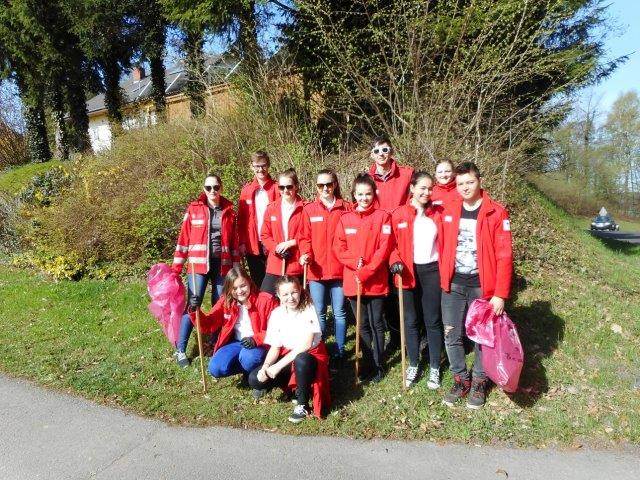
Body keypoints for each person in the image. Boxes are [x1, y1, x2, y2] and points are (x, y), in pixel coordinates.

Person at [439, 162, 513, 409]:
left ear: (479, 181)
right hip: (453, 283)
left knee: (483, 337)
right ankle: (461, 378)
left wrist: (500, 294)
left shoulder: (496, 212)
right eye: (460, 184)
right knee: (451, 333)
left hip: (483, 287)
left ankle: (480, 380)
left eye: (469, 182)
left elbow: (504, 256)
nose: (465, 187)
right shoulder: (449, 210)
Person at [172, 174, 239, 368]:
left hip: (222, 265)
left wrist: (237, 269)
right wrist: (177, 268)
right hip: (197, 266)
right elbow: (183, 240)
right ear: (203, 189)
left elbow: (233, 243)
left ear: (221, 188)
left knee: (220, 305)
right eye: (208, 188)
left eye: (216, 187)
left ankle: (213, 343)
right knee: (193, 304)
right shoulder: (194, 209)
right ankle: (181, 349)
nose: (212, 191)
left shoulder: (229, 210)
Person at [334, 173, 394, 383]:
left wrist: (366, 271)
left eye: (368, 194)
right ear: (354, 195)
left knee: (377, 323)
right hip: (353, 281)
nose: (364, 198)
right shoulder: (345, 219)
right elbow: (339, 247)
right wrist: (353, 262)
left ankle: (378, 363)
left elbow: (384, 248)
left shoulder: (383, 217)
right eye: (360, 194)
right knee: (362, 323)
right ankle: (367, 361)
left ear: (374, 194)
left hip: (375, 279)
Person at [248, 275, 330, 423]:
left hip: (310, 356)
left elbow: (306, 345)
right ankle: (295, 388)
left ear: (300, 291)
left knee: (301, 360)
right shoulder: (276, 314)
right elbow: (275, 347)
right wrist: (266, 367)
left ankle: (303, 404)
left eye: (294, 292)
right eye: (285, 294)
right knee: (255, 379)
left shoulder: (308, 308)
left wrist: (278, 366)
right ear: (279, 295)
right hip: (288, 355)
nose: (290, 297)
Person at [389, 172, 444, 388]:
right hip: (407, 272)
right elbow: (390, 245)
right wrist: (395, 260)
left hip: (432, 271)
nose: (426, 192)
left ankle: (434, 366)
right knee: (410, 321)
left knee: (432, 320)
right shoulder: (399, 214)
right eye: (422, 188)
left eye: (430, 188)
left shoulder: (438, 213)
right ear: (412, 188)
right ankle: (413, 362)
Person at [189, 266, 279, 382]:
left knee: (249, 358)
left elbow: (277, 329)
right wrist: (194, 309)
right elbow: (208, 325)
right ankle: (247, 370)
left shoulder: (266, 300)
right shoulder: (226, 302)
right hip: (236, 342)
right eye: (234, 288)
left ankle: (256, 373)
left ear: (250, 283)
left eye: (243, 286)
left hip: (259, 344)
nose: (239, 291)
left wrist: (256, 339)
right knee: (215, 368)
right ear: (229, 289)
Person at [299, 169, 351, 368]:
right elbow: (304, 238)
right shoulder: (309, 209)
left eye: (328, 184)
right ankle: (319, 347)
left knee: (339, 312)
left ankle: (339, 349)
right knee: (319, 312)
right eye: (321, 185)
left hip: (340, 270)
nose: (325, 189)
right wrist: (306, 253)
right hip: (317, 270)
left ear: (335, 184)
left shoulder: (346, 208)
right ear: (316, 187)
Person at [367, 136, 414, 353]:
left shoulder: (406, 174)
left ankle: (415, 333)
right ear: (372, 154)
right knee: (384, 291)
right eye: (377, 150)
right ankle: (395, 335)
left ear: (391, 151)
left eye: (385, 149)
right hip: (378, 241)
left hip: (402, 239)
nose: (381, 154)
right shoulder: (367, 179)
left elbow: (419, 199)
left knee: (404, 290)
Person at [260, 168, 305, 295]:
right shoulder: (271, 208)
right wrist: (276, 248)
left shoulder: (305, 208)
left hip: (296, 263)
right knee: (265, 298)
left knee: (295, 302)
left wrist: (291, 243)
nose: (285, 190)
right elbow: (265, 235)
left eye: (289, 186)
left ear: (296, 186)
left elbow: (308, 235)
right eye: (281, 187)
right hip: (276, 263)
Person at [237, 151, 279, 287]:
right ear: (251, 167)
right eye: (257, 166)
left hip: (273, 242)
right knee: (257, 281)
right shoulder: (246, 190)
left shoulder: (278, 188)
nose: (261, 169)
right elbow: (242, 220)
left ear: (269, 165)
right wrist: (242, 242)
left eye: (264, 165)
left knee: (275, 281)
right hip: (253, 243)